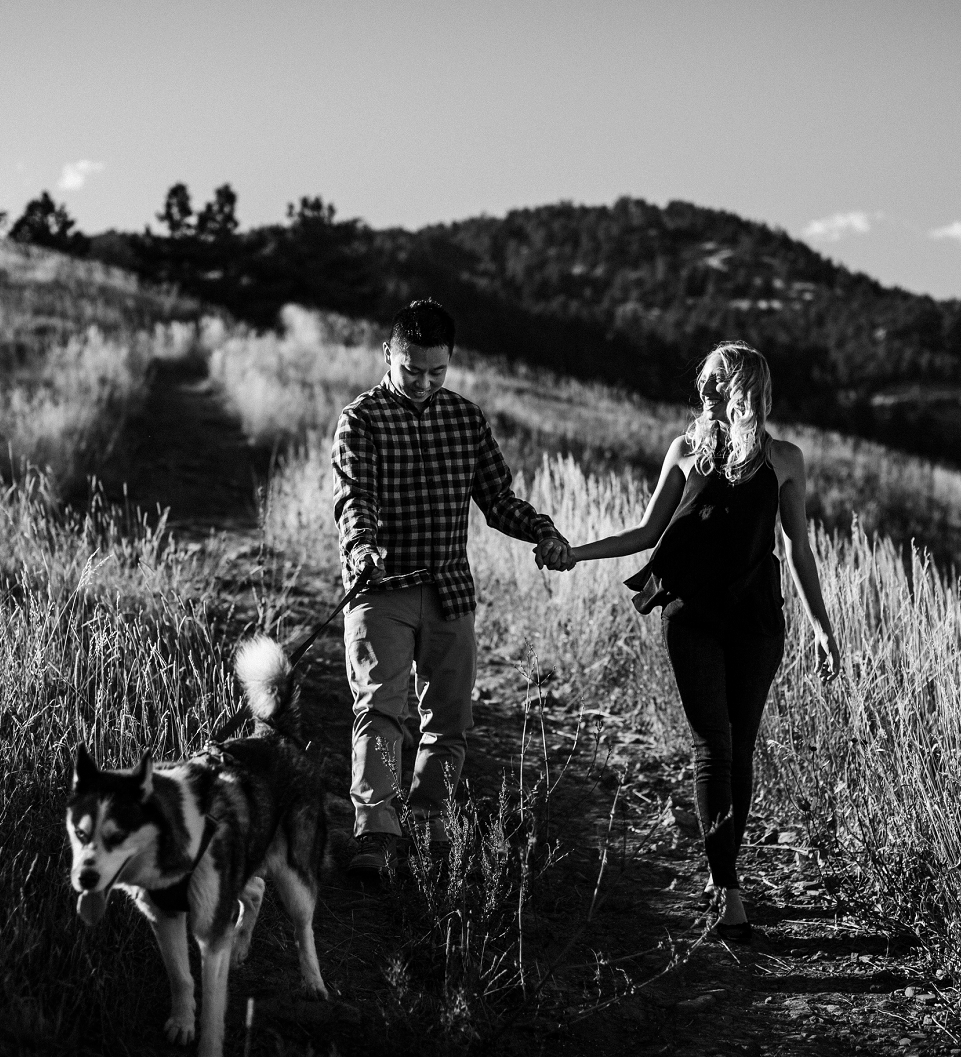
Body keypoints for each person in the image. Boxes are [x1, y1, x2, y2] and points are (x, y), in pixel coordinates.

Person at [566, 340, 840, 939]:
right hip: (692, 618)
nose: (706, 393)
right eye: (704, 383)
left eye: (719, 384)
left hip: (759, 622)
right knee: (713, 744)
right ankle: (727, 888)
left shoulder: (785, 460)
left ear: (746, 392)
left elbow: (797, 546)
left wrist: (822, 626)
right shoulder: (686, 452)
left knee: (741, 748)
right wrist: (576, 551)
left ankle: (725, 871)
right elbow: (646, 532)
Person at [332, 298, 572, 878]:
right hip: (381, 591)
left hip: (449, 593)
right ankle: (377, 833)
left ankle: (431, 821)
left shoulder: (465, 418)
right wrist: (363, 547)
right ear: (388, 354)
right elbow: (353, 500)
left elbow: (497, 500)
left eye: (437, 371)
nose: (423, 382)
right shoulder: (360, 420)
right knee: (382, 710)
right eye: (412, 369)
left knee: (449, 717)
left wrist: (542, 532)